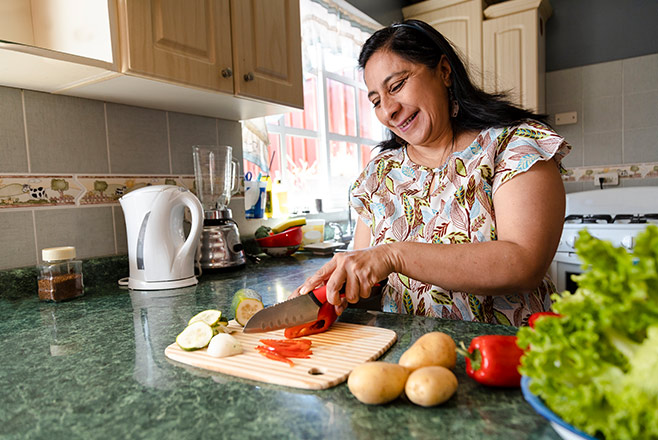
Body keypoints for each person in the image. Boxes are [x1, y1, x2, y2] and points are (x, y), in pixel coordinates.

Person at [293, 19, 571, 326]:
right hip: (409, 359)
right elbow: (366, 282)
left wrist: (393, 255)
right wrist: (333, 291)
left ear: (444, 71)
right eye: (376, 101)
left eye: (396, 86)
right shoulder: (379, 175)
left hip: (509, 357)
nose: (388, 111)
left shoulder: (513, 146)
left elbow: (523, 265)